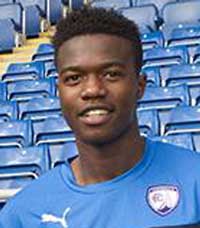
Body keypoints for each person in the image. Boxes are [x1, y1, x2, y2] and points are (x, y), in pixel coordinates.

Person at [0, 6, 200, 228]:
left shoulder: (194, 181)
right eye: (74, 78)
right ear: (59, 92)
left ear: (140, 86)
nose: (93, 90)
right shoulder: (24, 214)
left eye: (111, 74)